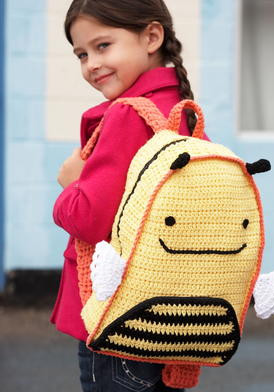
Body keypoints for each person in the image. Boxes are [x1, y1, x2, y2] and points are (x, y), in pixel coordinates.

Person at [51, 1, 209, 391]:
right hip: (169, 308)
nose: (91, 64)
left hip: (117, 317)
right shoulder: (180, 109)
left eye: (103, 46)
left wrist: (71, 182)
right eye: (82, 54)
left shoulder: (128, 116)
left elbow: (91, 219)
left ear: (152, 37)